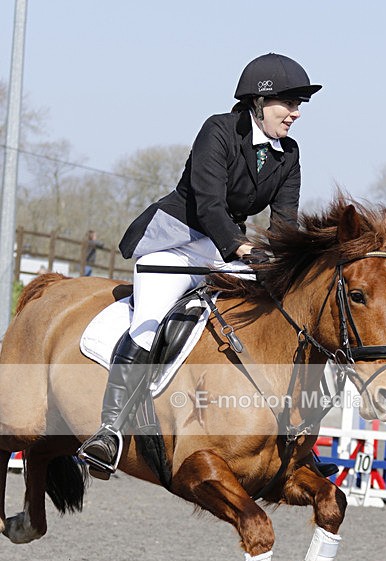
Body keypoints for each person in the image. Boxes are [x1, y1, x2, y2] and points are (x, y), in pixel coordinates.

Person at [78, 52, 322, 477]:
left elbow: (284, 223)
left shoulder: (289, 155)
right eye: (289, 103)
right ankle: (109, 431)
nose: (296, 114)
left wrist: (287, 266)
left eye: (300, 105)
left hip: (219, 253)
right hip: (175, 244)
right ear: (260, 103)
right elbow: (209, 205)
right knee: (150, 320)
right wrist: (243, 249)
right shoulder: (219, 130)